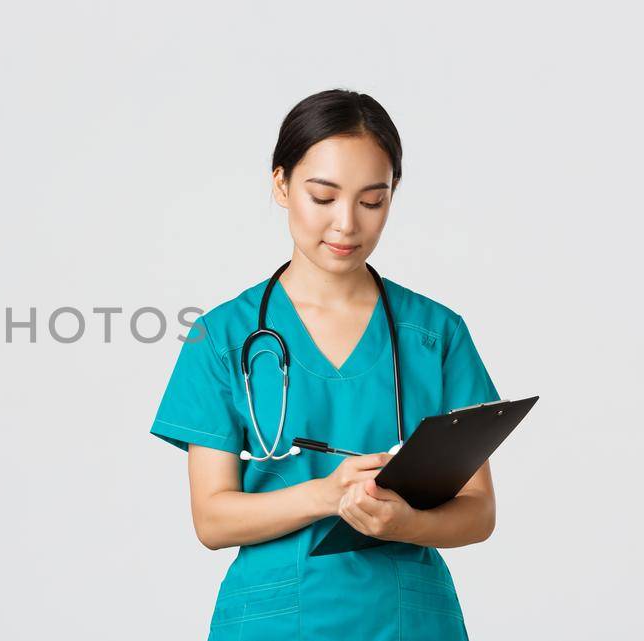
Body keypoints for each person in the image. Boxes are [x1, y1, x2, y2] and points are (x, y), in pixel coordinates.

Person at [149, 89, 502, 641]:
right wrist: (327, 494)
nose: (346, 225)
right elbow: (212, 520)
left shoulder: (436, 335)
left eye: (371, 201)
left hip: (407, 619)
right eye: (323, 196)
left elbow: (478, 511)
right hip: (274, 619)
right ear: (282, 184)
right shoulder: (223, 336)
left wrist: (408, 523)